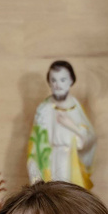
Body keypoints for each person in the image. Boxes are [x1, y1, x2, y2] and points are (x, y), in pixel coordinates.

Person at [26, 61, 96, 190]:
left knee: (70, 195)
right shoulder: (44, 109)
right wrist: (34, 170)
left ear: (71, 81)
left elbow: (88, 139)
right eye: (53, 80)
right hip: (50, 161)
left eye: (62, 80)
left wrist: (71, 126)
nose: (57, 85)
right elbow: (36, 143)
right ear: (49, 82)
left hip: (70, 160)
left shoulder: (75, 107)